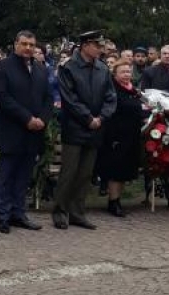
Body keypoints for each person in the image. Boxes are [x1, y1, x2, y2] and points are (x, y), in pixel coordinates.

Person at [52, 30, 116, 230]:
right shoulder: (69, 67)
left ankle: (77, 212)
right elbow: (69, 98)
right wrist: (88, 118)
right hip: (75, 127)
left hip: (96, 127)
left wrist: (101, 118)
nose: (100, 49)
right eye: (97, 45)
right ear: (85, 46)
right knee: (69, 172)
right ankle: (60, 211)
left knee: (85, 173)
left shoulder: (102, 69)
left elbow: (110, 97)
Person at [0, 30, 53, 234]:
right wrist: (27, 118)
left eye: (31, 44)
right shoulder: (2, 67)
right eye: (24, 44)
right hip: (12, 129)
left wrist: (42, 120)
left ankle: (19, 213)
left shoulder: (41, 69)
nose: (28, 48)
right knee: (7, 175)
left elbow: (48, 98)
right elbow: (2, 97)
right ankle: (3, 216)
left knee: (24, 176)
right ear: (15, 44)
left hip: (34, 132)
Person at [97, 59, 145, 217]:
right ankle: (113, 202)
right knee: (115, 171)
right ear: (115, 74)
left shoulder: (134, 90)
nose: (127, 75)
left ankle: (118, 200)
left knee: (125, 170)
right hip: (116, 136)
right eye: (123, 72)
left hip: (132, 135)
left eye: (129, 71)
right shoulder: (112, 90)